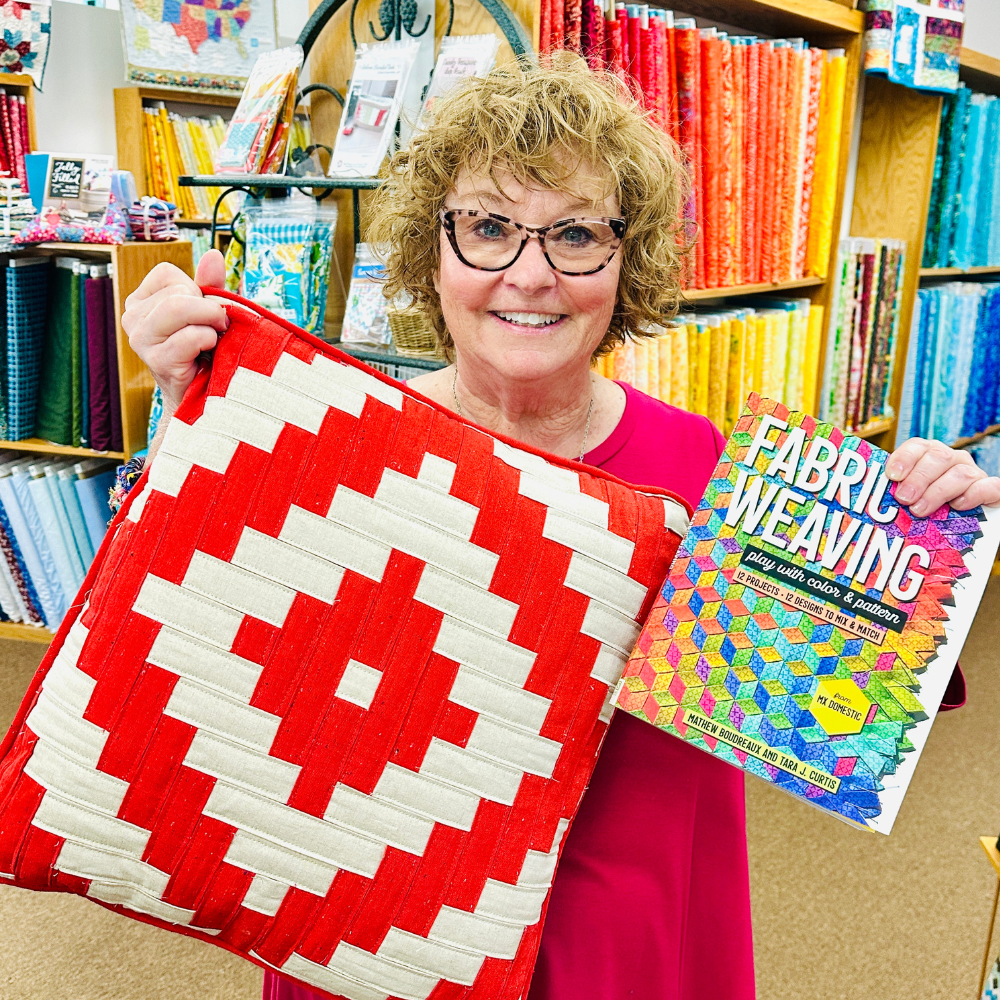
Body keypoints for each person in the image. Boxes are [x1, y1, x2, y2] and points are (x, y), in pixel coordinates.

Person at [122, 61, 1000, 1000]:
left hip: (620, 942)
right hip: (376, 923)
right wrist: (191, 419)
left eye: (578, 234)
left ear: (628, 263)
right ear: (430, 250)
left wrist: (925, 541)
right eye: (488, 227)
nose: (531, 274)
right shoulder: (346, 441)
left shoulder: (700, 467)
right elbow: (178, 658)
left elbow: (843, 703)